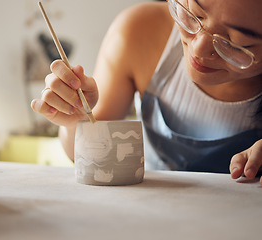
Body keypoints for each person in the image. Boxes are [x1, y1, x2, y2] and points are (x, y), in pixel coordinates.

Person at [31, 0, 262, 185]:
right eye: (194, 15)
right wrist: (75, 122)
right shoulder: (139, 31)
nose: (199, 48)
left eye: (235, 42)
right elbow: (90, 157)